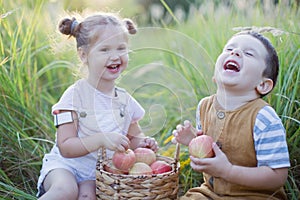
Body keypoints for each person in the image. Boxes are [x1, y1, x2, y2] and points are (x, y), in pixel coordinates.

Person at [37, 12, 158, 200]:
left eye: (121, 49)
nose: (115, 56)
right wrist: (101, 139)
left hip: (95, 174)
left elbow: (133, 137)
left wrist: (143, 144)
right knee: (66, 191)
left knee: (89, 196)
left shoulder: (126, 101)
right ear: (84, 55)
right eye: (105, 50)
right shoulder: (74, 96)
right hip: (65, 167)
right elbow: (66, 147)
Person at [172, 31, 290, 200]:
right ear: (215, 75)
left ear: (263, 84)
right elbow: (212, 153)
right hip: (210, 193)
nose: (235, 53)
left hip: (255, 196)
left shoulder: (263, 118)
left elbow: (277, 176)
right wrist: (192, 142)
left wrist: (229, 171)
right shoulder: (204, 107)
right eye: (229, 49)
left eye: (249, 53)